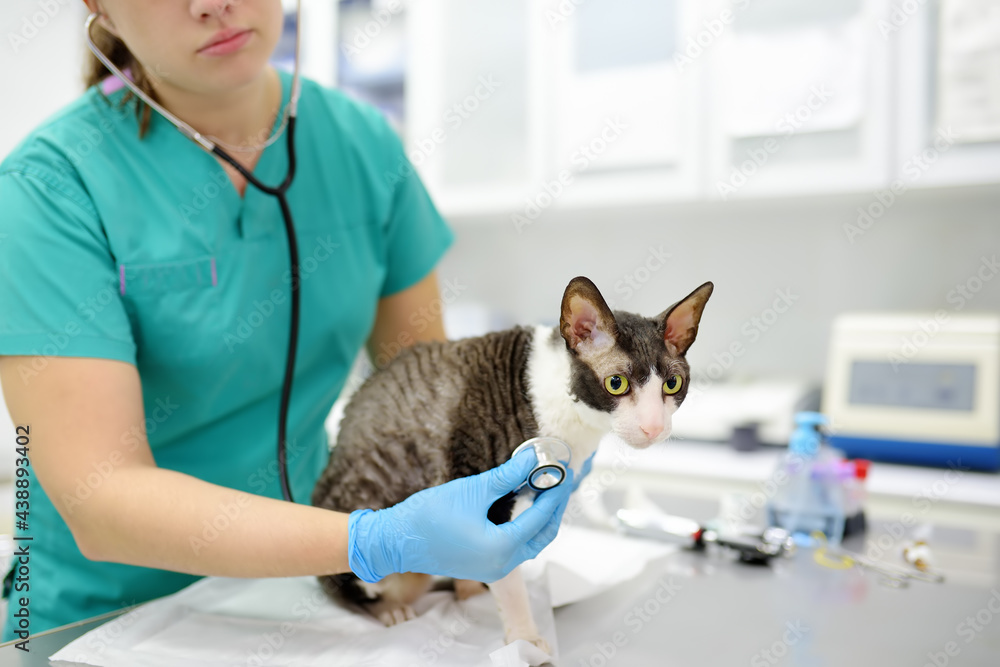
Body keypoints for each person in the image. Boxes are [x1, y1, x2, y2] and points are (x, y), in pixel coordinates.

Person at [0, 0, 574, 641]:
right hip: (94, 623)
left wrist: (489, 502)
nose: (211, 4)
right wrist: (377, 538)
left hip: (303, 603)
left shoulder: (361, 146)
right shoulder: (46, 191)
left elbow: (429, 400)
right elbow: (99, 500)